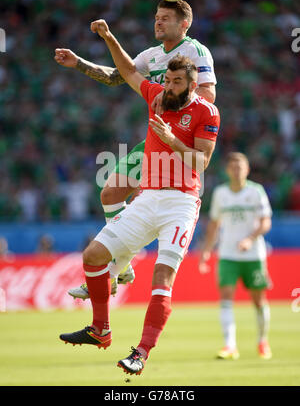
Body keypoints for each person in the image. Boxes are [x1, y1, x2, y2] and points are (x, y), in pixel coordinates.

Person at [59, 19, 220, 376]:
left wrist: (172, 139)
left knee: (162, 278)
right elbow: (129, 71)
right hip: (148, 198)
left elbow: (203, 160)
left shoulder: (206, 112)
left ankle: (141, 353)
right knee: (93, 256)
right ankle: (100, 329)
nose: (168, 86)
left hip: (181, 203)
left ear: (193, 85)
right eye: (166, 79)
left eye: (176, 81)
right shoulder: (155, 97)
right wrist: (107, 36)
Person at [198, 152, 272, 360]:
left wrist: (250, 238)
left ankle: (262, 341)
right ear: (228, 170)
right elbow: (214, 224)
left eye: (240, 166)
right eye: (233, 167)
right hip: (228, 254)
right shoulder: (221, 193)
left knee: (259, 301)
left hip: (253, 255)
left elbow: (266, 221)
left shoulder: (256, 191)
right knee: (226, 298)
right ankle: (230, 346)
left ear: (247, 170)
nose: (237, 170)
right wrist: (205, 250)